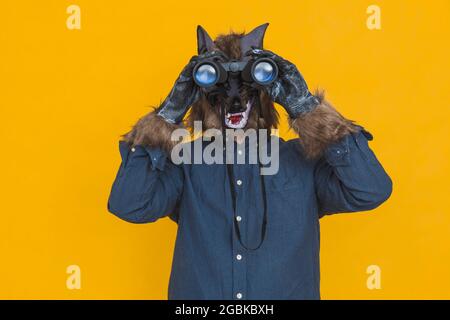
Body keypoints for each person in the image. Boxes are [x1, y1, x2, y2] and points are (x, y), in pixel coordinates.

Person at [107, 24, 392, 300]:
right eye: (221, 88)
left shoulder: (303, 160)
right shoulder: (187, 164)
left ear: (265, 95)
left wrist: (307, 108)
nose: (234, 99)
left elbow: (370, 190)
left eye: (246, 86)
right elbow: (129, 204)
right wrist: (168, 114)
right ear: (205, 98)